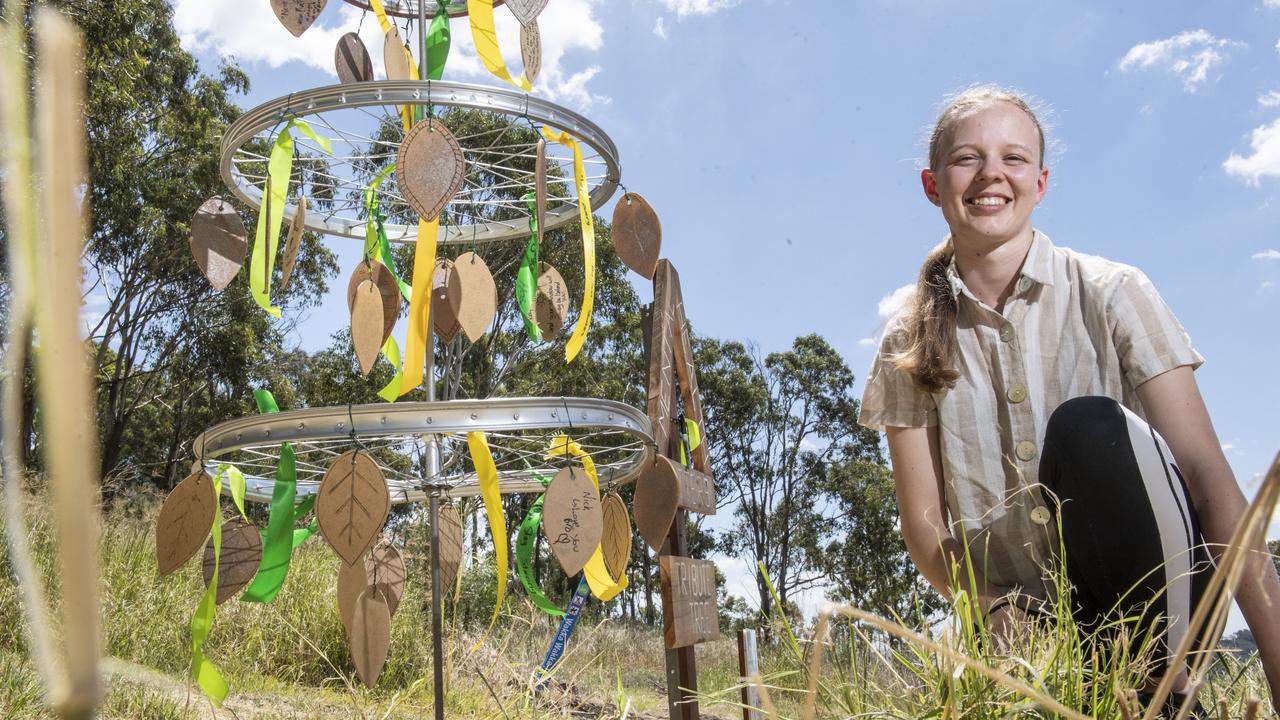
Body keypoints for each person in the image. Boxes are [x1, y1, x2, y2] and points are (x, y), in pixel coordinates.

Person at [857, 85, 1280, 716]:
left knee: (1089, 428)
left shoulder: (1113, 292)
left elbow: (1204, 475)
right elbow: (924, 525)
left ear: (1042, 182)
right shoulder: (907, 339)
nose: (991, 173)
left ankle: (1155, 693)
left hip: (1147, 602)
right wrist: (988, 604)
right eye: (967, 158)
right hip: (1017, 634)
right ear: (932, 183)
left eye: (1014, 158)